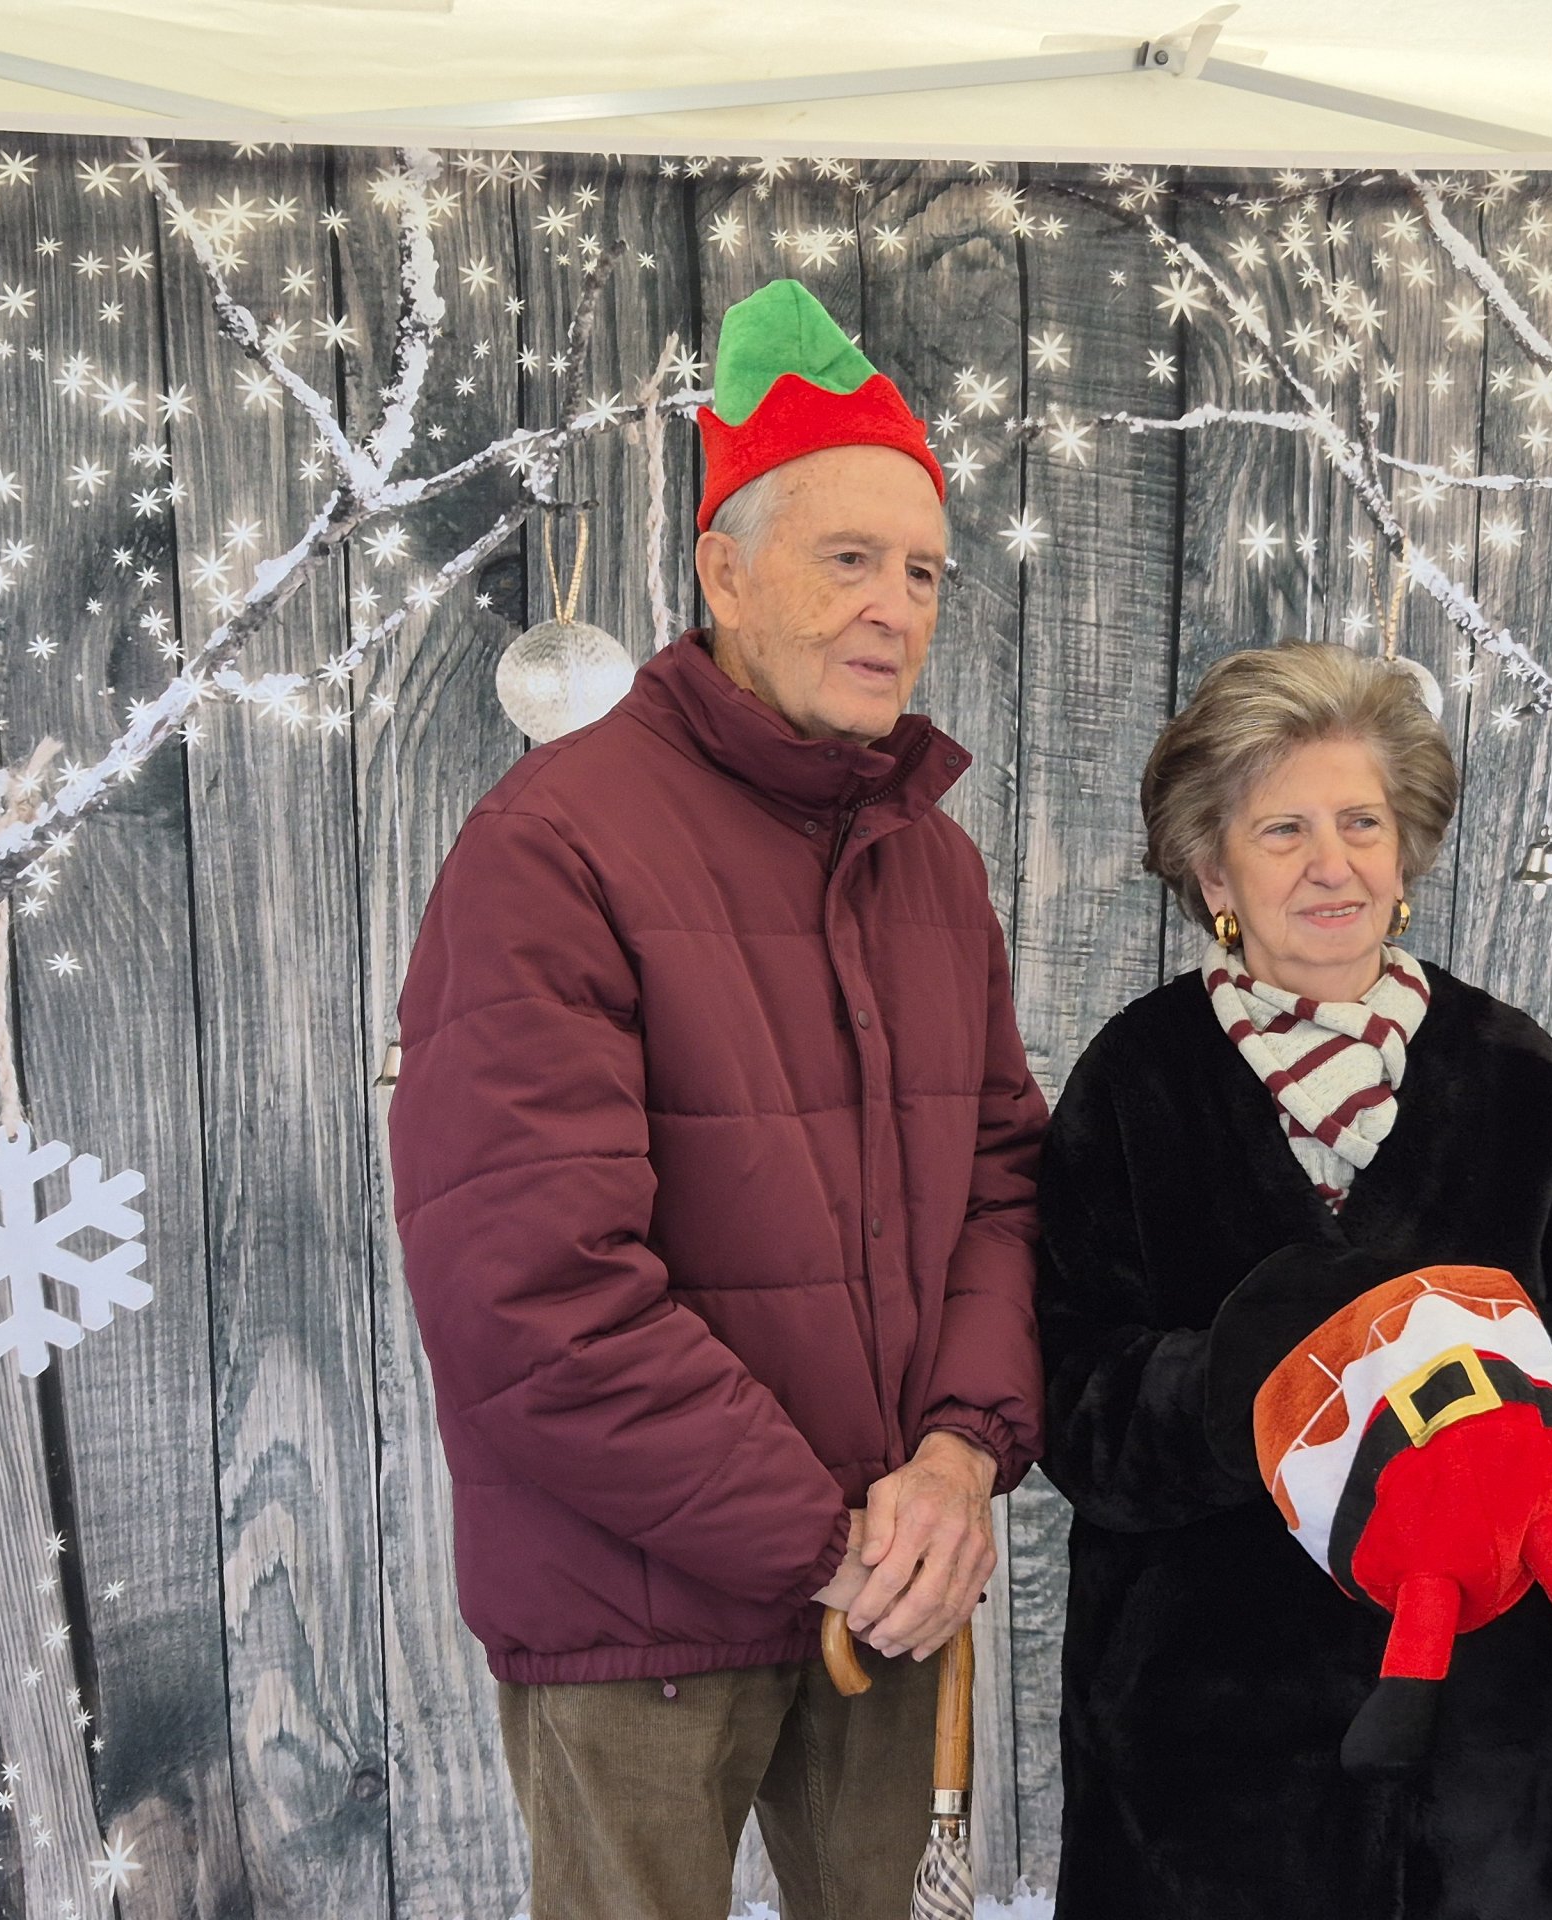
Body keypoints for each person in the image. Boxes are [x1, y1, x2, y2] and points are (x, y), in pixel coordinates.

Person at [388, 278, 1045, 1920]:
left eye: (922, 571)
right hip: (642, 1616)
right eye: (848, 559)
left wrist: (958, 1460)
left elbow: (1002, 1189)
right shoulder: (556, 845)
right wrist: (828, 1539)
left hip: (887, 1596)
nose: (895, 607)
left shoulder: (933, 866)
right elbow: (534, 1293)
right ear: (724, 572)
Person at [1034, 642, 1552, 1918]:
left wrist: (1517, 1399)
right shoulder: (1137, 1080)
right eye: (1281, 828)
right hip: (1208, 1767)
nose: (1330, 862)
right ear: (1212, 869)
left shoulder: (1516, 1075)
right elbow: (1070, 1396)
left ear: (1404, 856)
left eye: (1360, 822)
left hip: (1509, 1759)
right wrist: (1245, 1391)